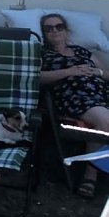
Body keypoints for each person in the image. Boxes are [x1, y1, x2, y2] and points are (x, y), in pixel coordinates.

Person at [39, 13, 109, 198]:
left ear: (66, 30)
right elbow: (37, 78)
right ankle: (90, 176)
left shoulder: (82, 51)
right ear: (44, 34)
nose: (54, 31)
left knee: (104, 119)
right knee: (104, 121)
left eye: (59, 26)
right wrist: (68, 72)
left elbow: (107, 74)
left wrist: (98, 71)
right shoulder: (43, 54)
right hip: (75, 96)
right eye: (49, 28)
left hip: (101, 93)